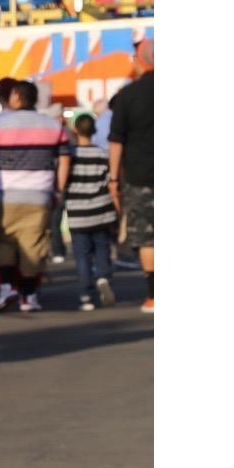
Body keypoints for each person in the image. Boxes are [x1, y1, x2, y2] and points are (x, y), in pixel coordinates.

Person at [0, 77, 64, 314]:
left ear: (16, 96)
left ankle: (7, 288)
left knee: (3, 242)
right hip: (40, 193)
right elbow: (64, 157)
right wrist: (58, 188)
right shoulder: (53, 126)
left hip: (5, 193)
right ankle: (29, 295)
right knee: (33, 244)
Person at [108, 40, 155, 311]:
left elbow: (116, 142)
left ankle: (154, 294)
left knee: (148, 238)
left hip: (140, 178)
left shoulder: (128, 96)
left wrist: (113, 179)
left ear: (140, 60)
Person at [57, 113, 118, 309]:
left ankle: (86, 296)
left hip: (78, 212)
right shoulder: (102, 154)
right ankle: (103, 276)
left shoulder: (70, 156)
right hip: (101, 209)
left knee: (82, 255)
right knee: (102, 247)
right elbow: (110, 182)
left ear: (76, 130)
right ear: (94, 131)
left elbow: (63, 181)